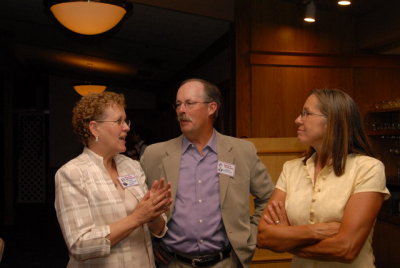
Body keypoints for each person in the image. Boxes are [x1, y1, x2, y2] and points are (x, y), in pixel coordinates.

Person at [140, 78, 274, 267]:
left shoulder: (242, 152)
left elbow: (269, 197)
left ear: (212, 108)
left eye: (189, 103)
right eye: (178, 104)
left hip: (226, 262)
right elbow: (136, 204)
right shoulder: (154, 155)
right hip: (173, 263)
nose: (181, 110)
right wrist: (150, 242)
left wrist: (250, 235)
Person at [257, 89, 390, 267]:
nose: (297, 120)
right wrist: (316, 231)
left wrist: (287, 238)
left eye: (306, 113)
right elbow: (264, 236)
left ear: (333, 121)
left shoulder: (368, 168)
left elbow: (346, 248)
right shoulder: (291, 169)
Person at [55, 91, 172, 267]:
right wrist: (137, 218)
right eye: (119, 121)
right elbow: (80, 246)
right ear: (94, 128)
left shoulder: (131, 166)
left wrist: (153, 212)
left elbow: (159, 230)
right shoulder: (72, 173)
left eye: (126, 121)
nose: (127, 127)